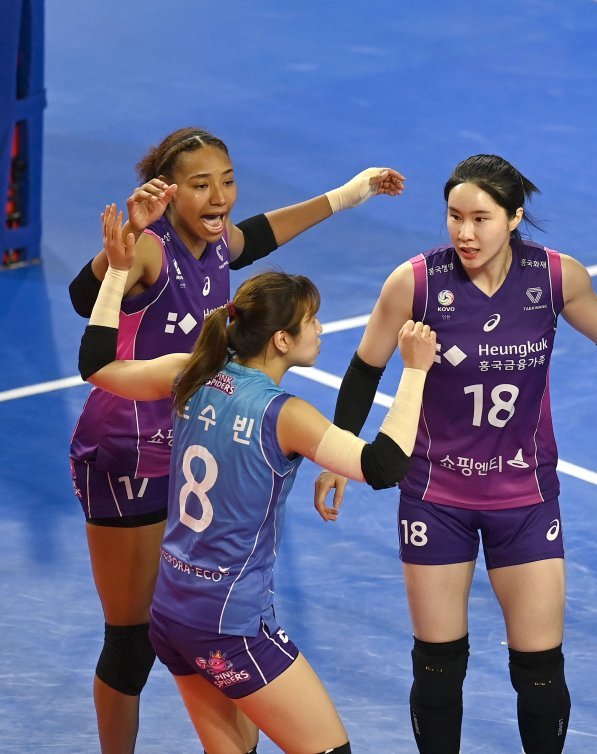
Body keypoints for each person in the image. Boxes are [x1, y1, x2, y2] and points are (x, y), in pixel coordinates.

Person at [65, 126, 404, 753]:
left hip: (194, 441)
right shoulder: (152, 248)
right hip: (127, 452)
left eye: (227, 180)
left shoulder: (219, 243)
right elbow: (85, 297)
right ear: (169, 193)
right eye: (201, 185)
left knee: (191, 623)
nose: (219, 196)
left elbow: (265, 232)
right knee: (132, 640)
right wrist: (125, 246)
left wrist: (348, 195)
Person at [314, 153, 597, 754]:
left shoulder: (556, 277)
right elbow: (365, 368)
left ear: (514, 217)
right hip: (435, 495)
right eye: (455, 217)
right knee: (437, 666)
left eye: (481, 219)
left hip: (525, 497)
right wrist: (338, 456)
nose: (465, 232)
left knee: (540, 669)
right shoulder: (415, 283)